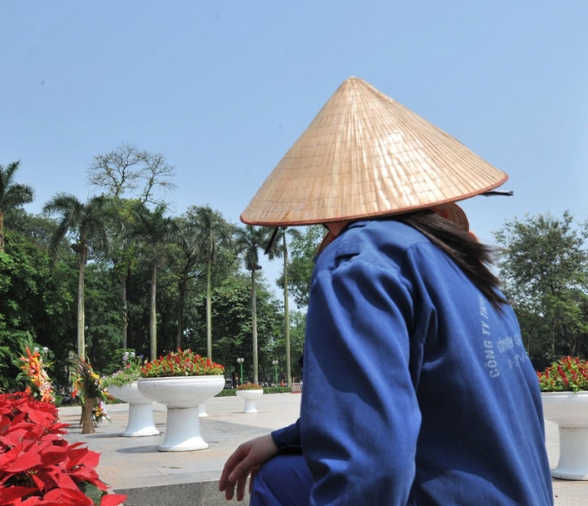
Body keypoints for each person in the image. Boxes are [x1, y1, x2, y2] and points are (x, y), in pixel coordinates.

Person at [220, 77, 553, 505]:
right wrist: (285, 438)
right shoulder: (465, 264)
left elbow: (369, 459)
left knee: (274, 481)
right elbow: (440, 395)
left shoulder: (358, 262)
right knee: (284, 465)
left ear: (325, 198)